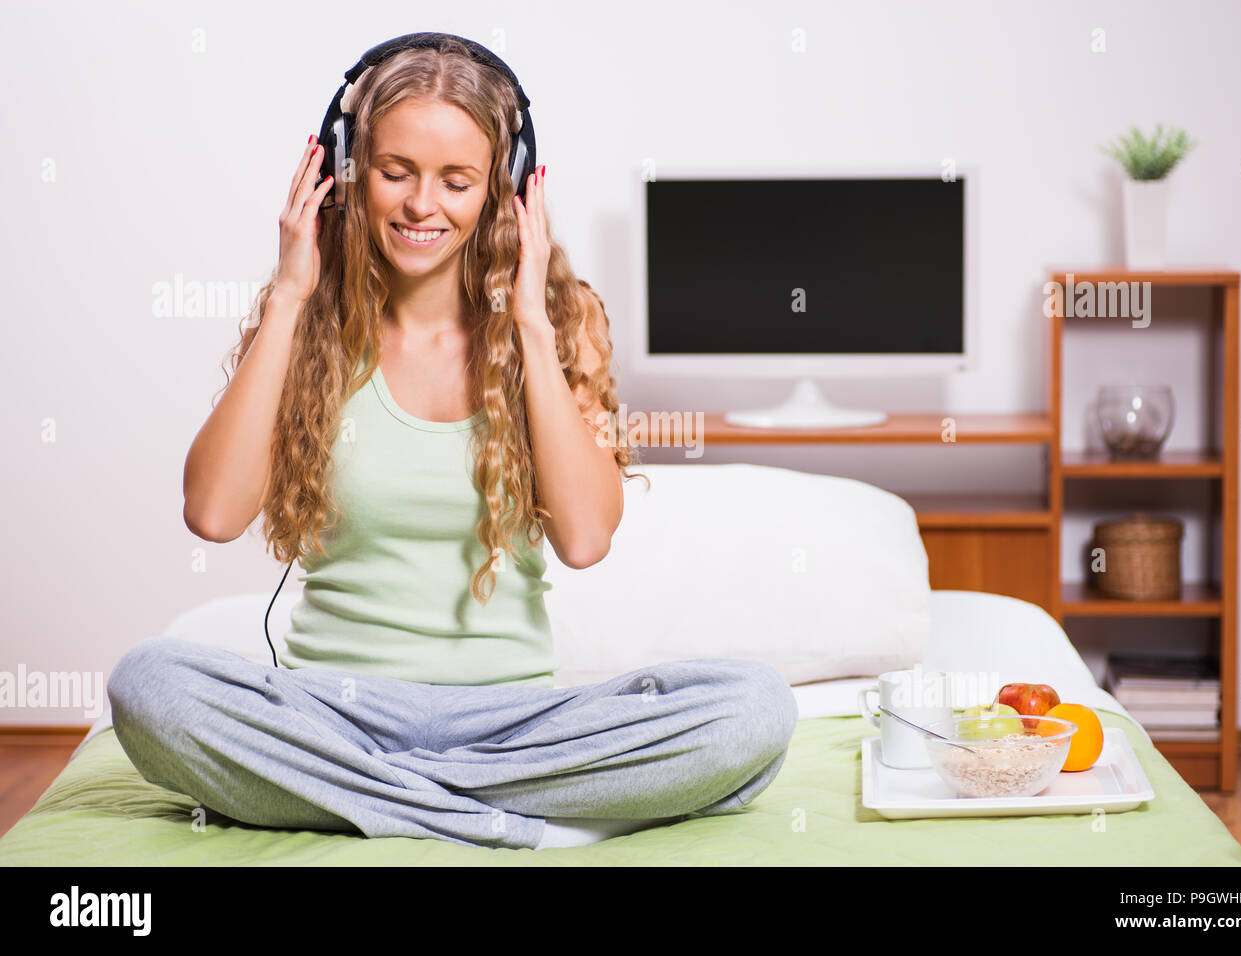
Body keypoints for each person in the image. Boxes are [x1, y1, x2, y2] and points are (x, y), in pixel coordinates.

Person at [106, 38, 798, 851]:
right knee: (149, 682)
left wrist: (533, 324)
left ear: (504, 190)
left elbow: (585, 537)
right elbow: (214, 513)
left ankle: (370, 804)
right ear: (347, 169)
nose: (419, 206)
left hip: (515, 722)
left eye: (456, 180)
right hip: (333, 713)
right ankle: (504, 822)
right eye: (395, 171)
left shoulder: (563, 323)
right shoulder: (310, 320)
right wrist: (292, 292)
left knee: (754, 709)